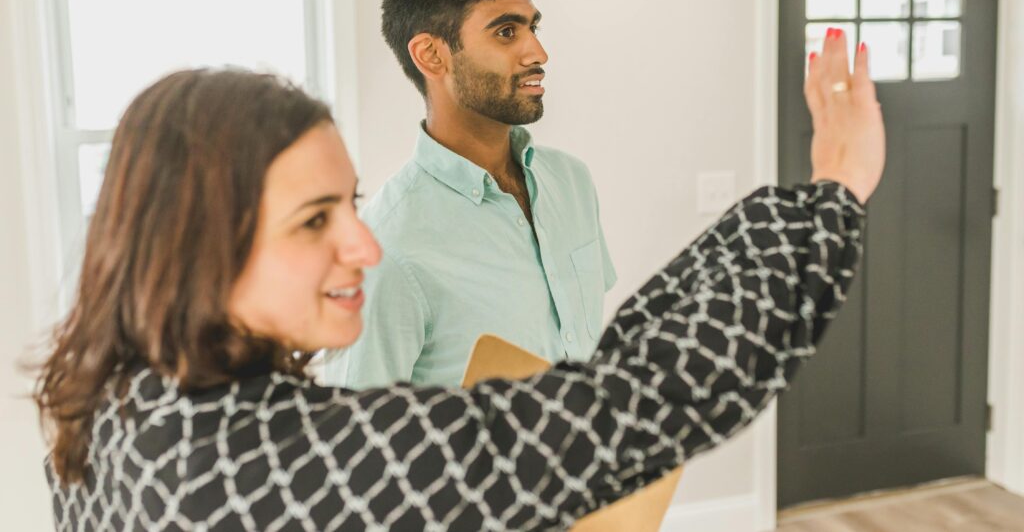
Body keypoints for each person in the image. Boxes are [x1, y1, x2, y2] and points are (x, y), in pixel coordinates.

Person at [37, 28, 883, 531]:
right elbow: (647, 398)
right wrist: (832, 195)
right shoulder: (292, 461)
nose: (364, 245)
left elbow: (607, 377)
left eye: (351, 204)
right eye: (314, 220)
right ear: (197, 244)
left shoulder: (110, 401)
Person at [326, 0, 617, 388]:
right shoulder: (390, 248)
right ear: (431, 54)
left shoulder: (572, 182)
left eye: (532, 27)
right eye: (506, 32)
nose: (538, 54)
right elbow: (359, 439)